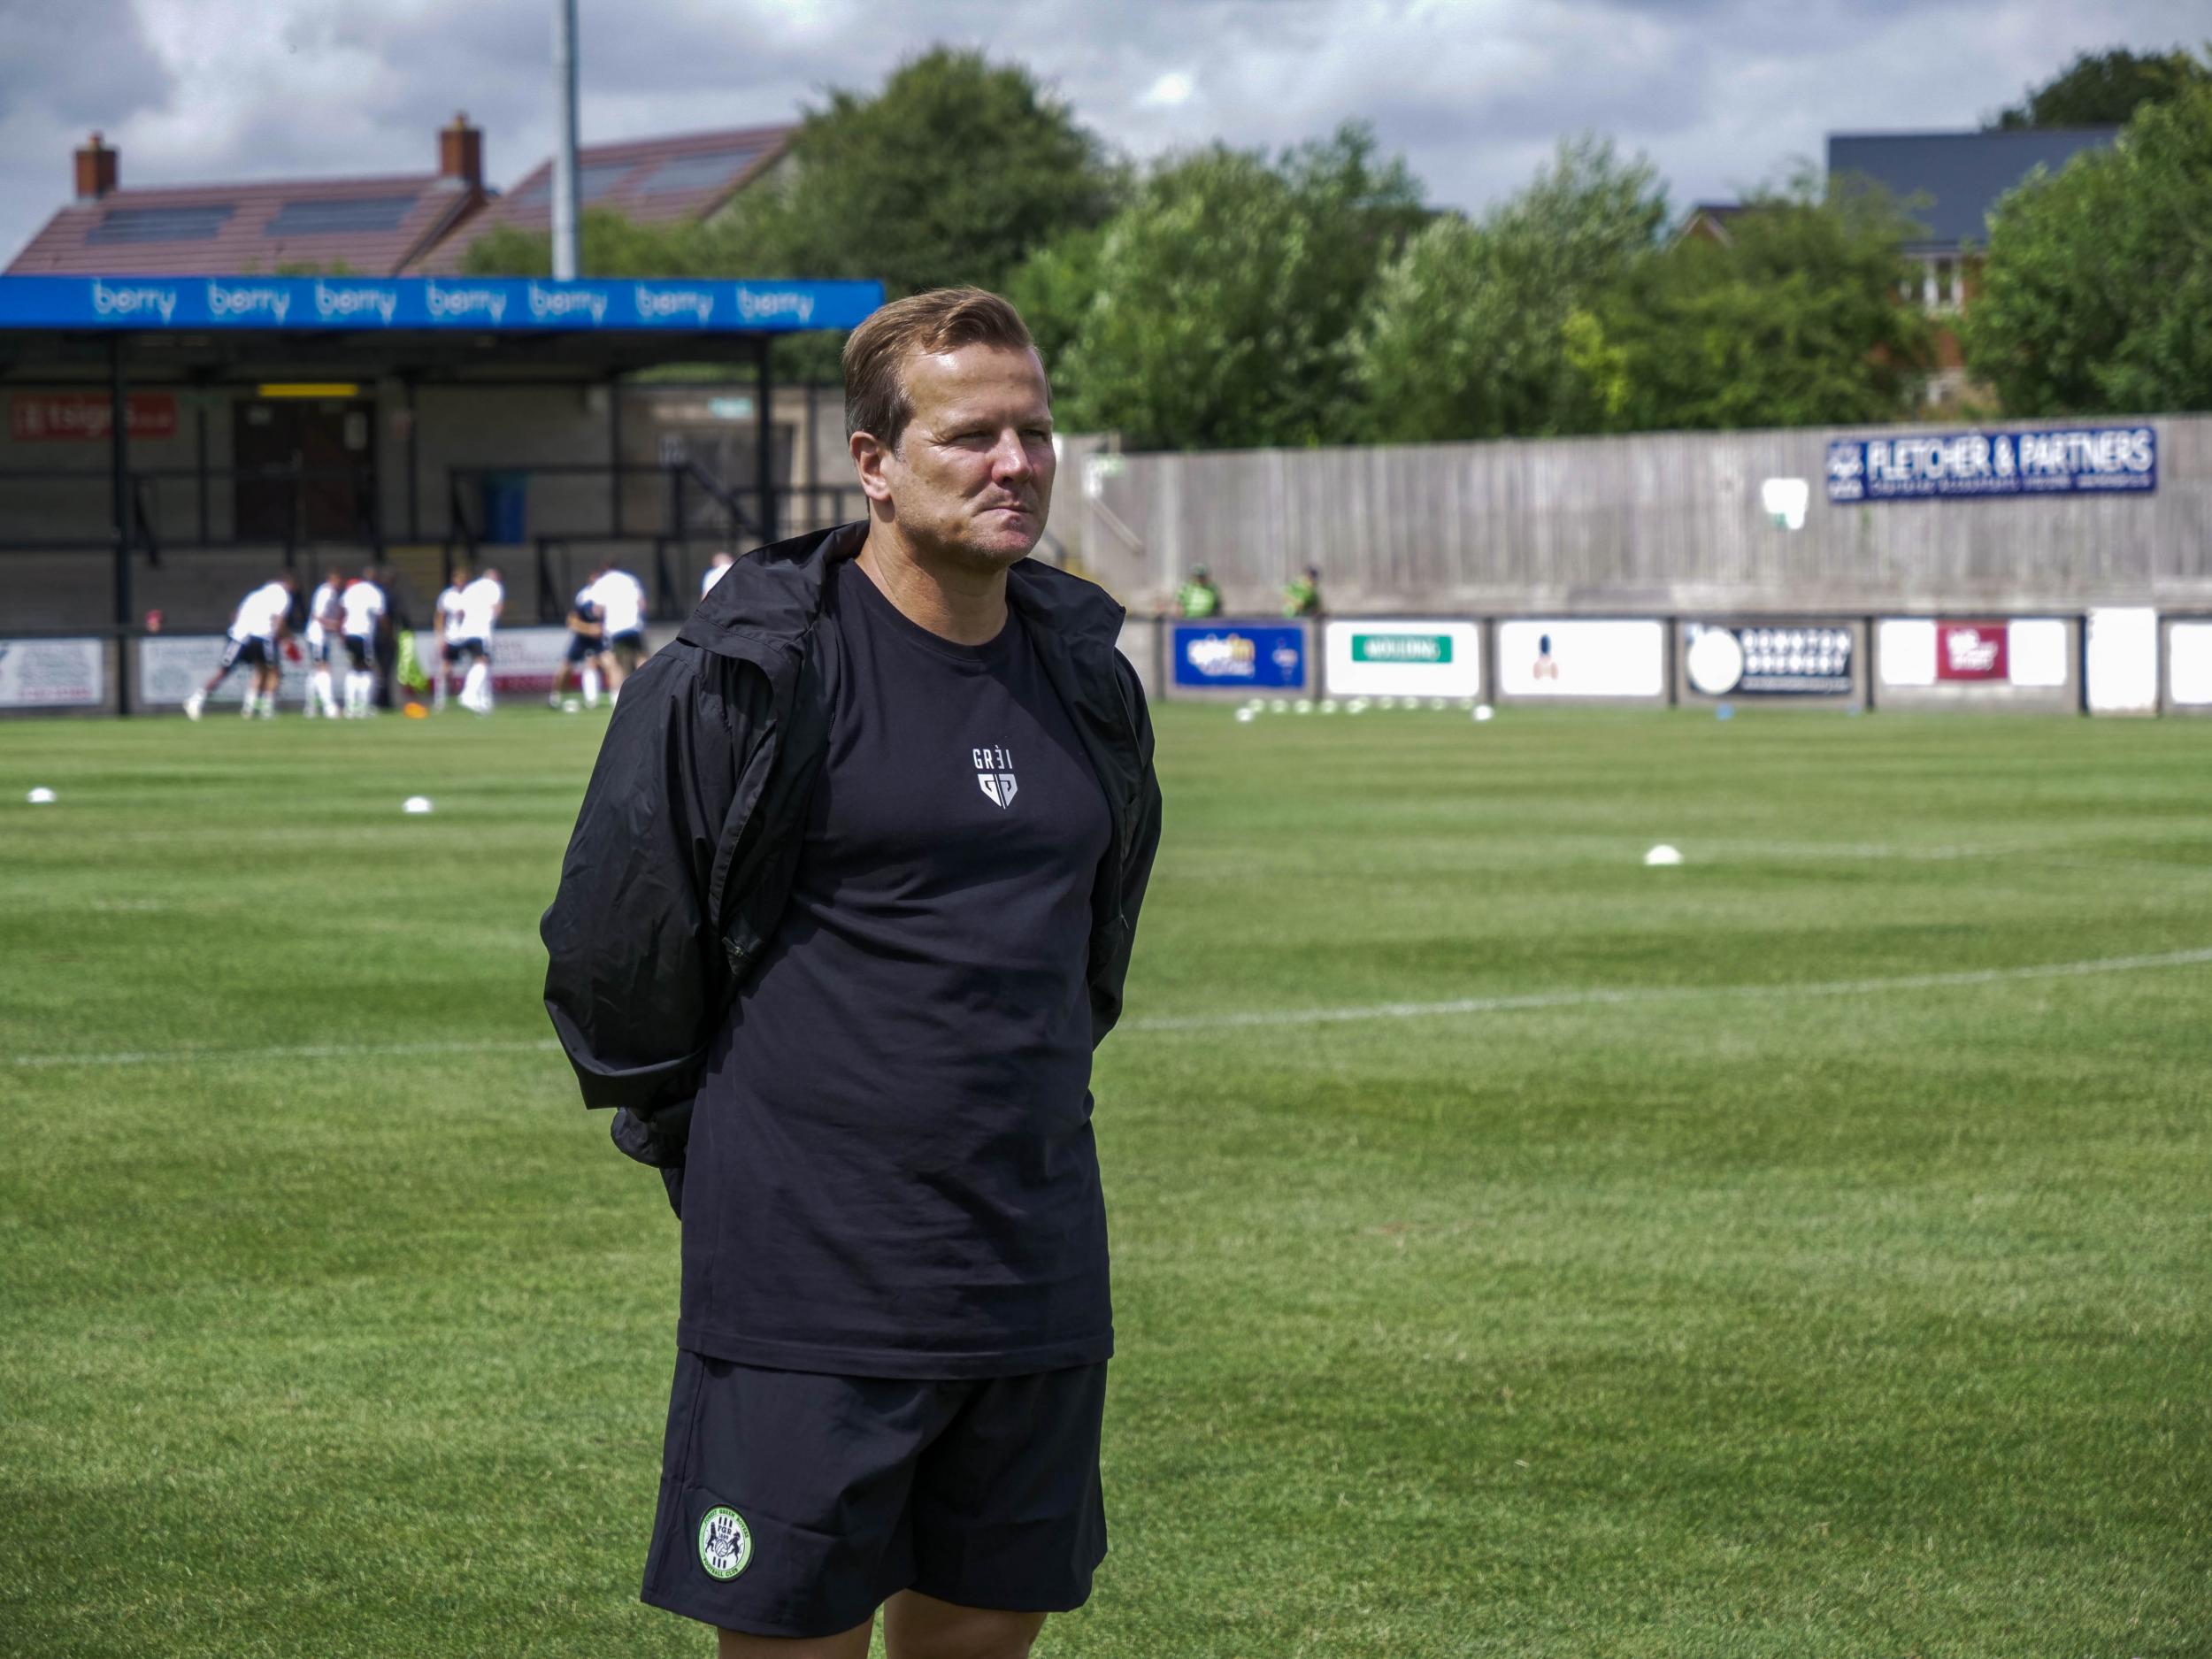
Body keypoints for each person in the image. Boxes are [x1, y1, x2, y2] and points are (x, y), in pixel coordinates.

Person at [542, 287, 1162, 1659]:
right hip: (809, 1281)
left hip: (1032, 1267)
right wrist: (726, 1154)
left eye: (1036, 432)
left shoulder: (1085, 678)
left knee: (982, 1641)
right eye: (972, 435)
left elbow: (1090, 954)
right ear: (873, 462)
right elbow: (617, 960)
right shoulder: (746, 674)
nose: (1017, 463)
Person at [185, 572, 296, 720]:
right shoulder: (283, 595)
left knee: (226, 671)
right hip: (262, 636)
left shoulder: (255, 594)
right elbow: (279, 620)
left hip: (239, 636)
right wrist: (286, 638)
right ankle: (265, 709)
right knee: (272, 671)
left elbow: (235, 615)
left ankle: (199, 699)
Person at [583, 561, 649, 699]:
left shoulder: (602, 583)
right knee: (640, 658)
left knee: (616, 664)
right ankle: (648, 688)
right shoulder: (630, 579)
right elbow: (642, 604)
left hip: (615, 628)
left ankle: (616, 696)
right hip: (633, 625)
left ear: (605, 569)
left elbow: (597, 610)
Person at [452, 564, 504, 714]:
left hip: (465, 631)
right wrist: (490, 619)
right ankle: (469, 694)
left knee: (478, 664)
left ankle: (483, 702)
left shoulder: (470, 588)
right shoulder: (494, 587)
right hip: (481, 631)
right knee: (482, 663)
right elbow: (497, 608)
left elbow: (460, 611)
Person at [551, 572, 607, 710]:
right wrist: (589, 629)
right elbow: (572, 621)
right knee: (567, 666)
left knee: (596, 663)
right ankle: (556, 696)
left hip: (598, 637)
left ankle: (593, 700)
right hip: (583, 636)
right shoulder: (584, 596)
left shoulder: (607, 595)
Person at [339, 566, 387, 718]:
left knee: (353, 668)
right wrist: (388, 633)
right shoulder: (374, 592)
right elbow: (381, 616)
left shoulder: (352, 590)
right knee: (367, 669)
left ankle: (350, 706)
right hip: (363, 634)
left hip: (349, 633)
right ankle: (363, 706)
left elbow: (342, 609)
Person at [303, 567, 344, 718]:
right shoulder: (326, 592)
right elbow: (317, 616)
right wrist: (335, 625)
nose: (340, 584)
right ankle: (329, 707)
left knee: (316, 671)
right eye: (338, 580)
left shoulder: (330, 593)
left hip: (321, 635)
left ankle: (310, 707)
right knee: (323, 668)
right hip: (317, 635)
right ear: (332, 579)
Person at [433, 566, 471, 711]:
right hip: (451, 636)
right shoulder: (448, 595)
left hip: (467, 636)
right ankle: (440, 700)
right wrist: (439, 635)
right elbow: (440, 616)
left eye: (462, 580)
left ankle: (470, 698)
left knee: (473, 667)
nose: (460, 583)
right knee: (445, 669)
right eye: (457, 580)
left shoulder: (470, 595)